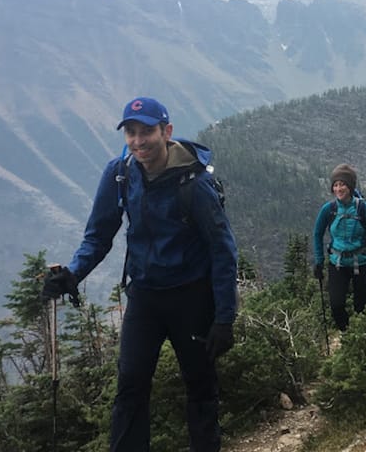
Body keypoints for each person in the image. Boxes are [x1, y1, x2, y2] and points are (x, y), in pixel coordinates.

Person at [41, 96, 239, 452]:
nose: (138, 141)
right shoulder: (120, 174)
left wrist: (224, 317)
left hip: (192, 297)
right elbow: (98, 235)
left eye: (146, 131)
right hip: (145, 296)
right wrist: (73, 273)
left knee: (200, 385)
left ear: (166, 132)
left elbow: (223, 250)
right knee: (130, 385)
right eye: (131, 132)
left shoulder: (193, 184)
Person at [312, 163, 366, 331]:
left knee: (361, 306)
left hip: (362, 263)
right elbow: (317, 234)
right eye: (335, 185)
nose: (338, 188)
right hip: (338, 263)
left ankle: (361, 337)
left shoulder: (365, 209)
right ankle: (347, 334)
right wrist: (319, 262)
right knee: (336, 305)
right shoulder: (329, 209)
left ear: (350, 186)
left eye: (342, 184)